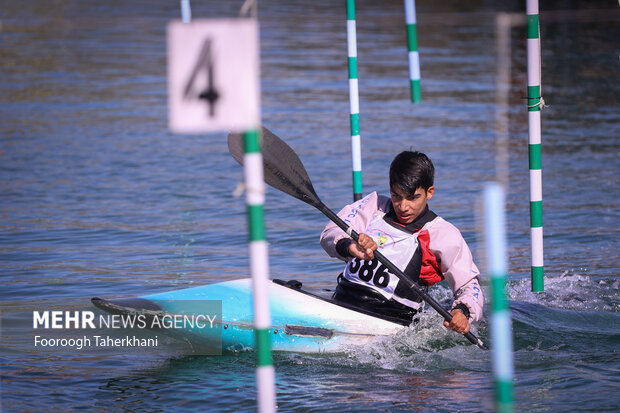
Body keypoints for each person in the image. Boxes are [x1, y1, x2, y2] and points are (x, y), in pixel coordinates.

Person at [320, 151, 483, 334]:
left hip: (392, 325)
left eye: (413, 198)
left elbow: (469, 286)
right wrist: (349, 247)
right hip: (341, 302)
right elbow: (330, 232)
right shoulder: (374, 206)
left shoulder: (443, 234)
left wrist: (462, 312)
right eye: (396, 196)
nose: (403, 207)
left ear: (429, 193)